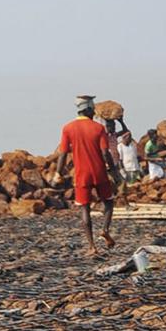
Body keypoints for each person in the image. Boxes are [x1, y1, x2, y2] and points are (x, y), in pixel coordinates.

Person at [56, 96, 118, 257]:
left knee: (85, 208)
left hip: (81, 174)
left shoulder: (68, 128)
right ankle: (104, 229)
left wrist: (58, 173)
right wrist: (114, 171)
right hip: (99, 172)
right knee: (109, 203)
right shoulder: (98, 128)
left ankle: (91, 246)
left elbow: (62, 154)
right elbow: (106, 153)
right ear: (89, 110)